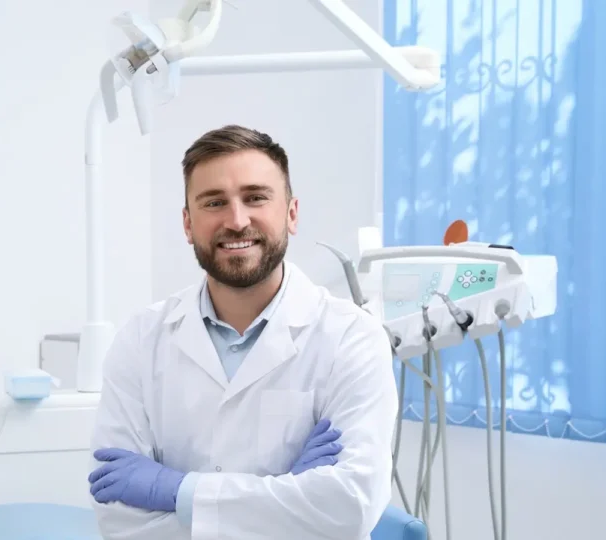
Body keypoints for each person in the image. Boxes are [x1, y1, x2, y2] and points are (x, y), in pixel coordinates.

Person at [87, 125, 398, 539]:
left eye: (255, 197)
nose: (236, 220)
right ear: (187, 223)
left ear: (291, 213)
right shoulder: (141, 339)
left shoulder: (352, 339)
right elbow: (120, 518)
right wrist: (291, 494)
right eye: (214, 202)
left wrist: (175, 491)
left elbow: (348, 507)